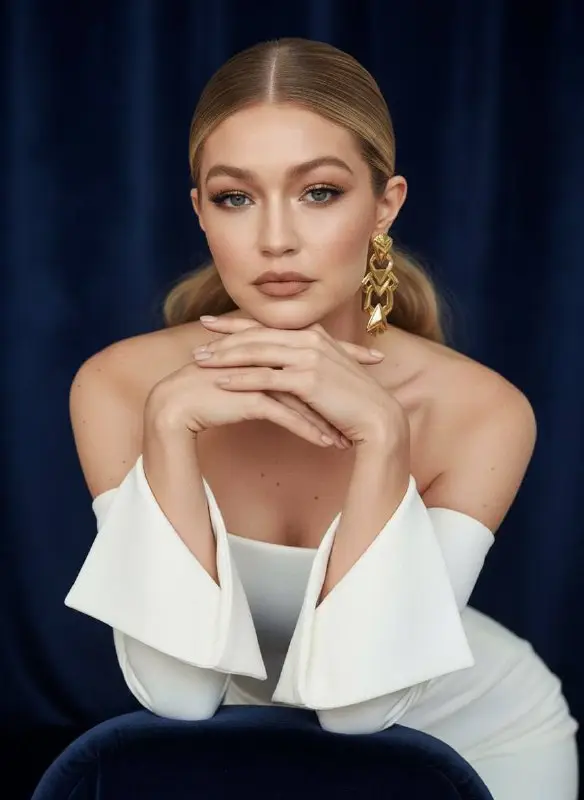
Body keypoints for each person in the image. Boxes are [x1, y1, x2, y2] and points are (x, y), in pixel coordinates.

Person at [65, 38, 578, 798]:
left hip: (477, 740)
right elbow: (177, 696)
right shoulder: (120, 387)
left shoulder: (481, 411)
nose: (276, 239)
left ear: (385, 205)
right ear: (200, 211)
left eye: (320, 192)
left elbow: (360, 708)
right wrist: (169, 425)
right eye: (236, 197)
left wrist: (383, 438)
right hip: (245, 755)